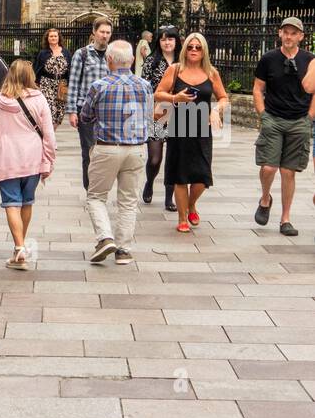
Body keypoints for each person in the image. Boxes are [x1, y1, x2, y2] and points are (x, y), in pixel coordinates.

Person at [80, 39, 152, 265]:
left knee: (96, 196)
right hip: (137, 149)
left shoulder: (99, 86)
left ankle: (105, 237)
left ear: (108, 60)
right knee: (128, 200)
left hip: (107, 148)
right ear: (131, 60)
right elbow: (149, 115)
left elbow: (85, 116)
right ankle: (123, 250)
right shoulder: (144, 85)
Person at [0, 58, 55, 269]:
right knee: (27, 201)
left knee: (11, 203)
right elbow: (48, 133)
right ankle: (20, 246)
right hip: (32, 156)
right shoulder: (40, 99)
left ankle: (19, 247)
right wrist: (49, 159)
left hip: (6, 157)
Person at [155, 32, 229, 234]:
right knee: (180, 175)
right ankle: (182, 218)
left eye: (198, 47)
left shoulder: (211, 72)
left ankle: (191, 205)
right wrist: (175, 97)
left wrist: (216, 110)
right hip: (179, 127)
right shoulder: (175, 70)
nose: (194, 50)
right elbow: (158, 93)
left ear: (204, 50)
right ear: (184, 49)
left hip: (202, 128)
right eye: (190, 47)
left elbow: (223, 97)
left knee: (202, 176)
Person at [252, 17, 315, 236]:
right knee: (269, 167)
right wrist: (263, 115)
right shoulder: (269, 58)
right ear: (279, 34)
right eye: (285, 32)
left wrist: (309, 117)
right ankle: (265, 198)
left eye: (293, 33)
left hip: (299, 120)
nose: (289, 36)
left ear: (301, 36)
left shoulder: (310, 59)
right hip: (274, 118)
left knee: (289, 172)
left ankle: (285, 219)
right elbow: (258, 89)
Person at [66, 17, 113, 191]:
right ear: (94, 32)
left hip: (108, 111)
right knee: (89, 150)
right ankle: (90, 188)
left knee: (106, 151)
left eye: (108, 33)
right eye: (102, 32)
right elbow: (74, 82)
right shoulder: (82, 54)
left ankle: (101, 185)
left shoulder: (113, 54)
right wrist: (71, 111)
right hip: (85, 109)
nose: (105, 36)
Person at [140, 25, 181, 210]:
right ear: (159, 42)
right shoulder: (151, 61)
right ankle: (149, 182)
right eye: (163, 39)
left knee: (174, 159)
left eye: (170, 39)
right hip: (157, 112)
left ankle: (169, 198)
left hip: (180, 114)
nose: (167, 42)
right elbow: (145, 89)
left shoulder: (184, 61)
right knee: (155, 159)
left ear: (176, 41)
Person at [33, 27, 71, 126]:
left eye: (55, 36)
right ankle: (48, 134)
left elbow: (70, 69)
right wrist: (36, 83)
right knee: (50, 110)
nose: (53, 38)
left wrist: (70, 84)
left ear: (59, 38)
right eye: (51, 36)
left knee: (60, 112)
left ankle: (51, 133)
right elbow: (37, 69)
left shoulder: (66, 52)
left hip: (62, 84)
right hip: (47, 84)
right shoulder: (43, 53)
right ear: (47, 38)